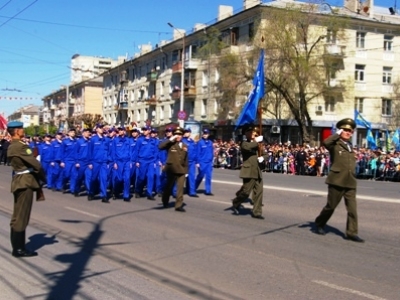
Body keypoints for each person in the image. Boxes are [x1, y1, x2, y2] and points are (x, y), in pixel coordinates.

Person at [314, 118, 364, 243]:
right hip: (337, 180)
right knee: (331, 206)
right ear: (341, 130)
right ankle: (320, 223)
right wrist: (336, 134)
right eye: (345, 130)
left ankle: (351, 232)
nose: (348, 133)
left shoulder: (350, 146)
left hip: (350, 181)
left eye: (350, 131)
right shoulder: (335, 144)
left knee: (352, 209)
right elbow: (325, 142)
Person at [6, 121, 46, 257]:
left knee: (18, 215)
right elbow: (37, 165)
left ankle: (18, 247)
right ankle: (19, 249)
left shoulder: (14, 145)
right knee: (22, 216)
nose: (23, 130)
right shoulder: (20, 146)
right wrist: (43, 178)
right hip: (25, 182)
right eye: (21, 129)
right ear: (16, 131)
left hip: (19, 181)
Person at [231, 125, 266, 219]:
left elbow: (265, 154)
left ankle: (257, 212)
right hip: (249, 171)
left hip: (257, 171)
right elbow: (247, 148)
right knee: (246, 192)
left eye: (253, 132)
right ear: (246, 134)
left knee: (259, 192)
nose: (253, 133)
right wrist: (257, 141)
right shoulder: (244, 143)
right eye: (250, 132)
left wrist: (263, 158)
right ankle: (236, 202)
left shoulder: (258, 144)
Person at [158, 127, 188, 212]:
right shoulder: (170, 144)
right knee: (168, 186)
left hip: (181, 170)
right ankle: (165, 201)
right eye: (176, 134)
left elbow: (186, 159)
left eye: (180, 135)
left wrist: (186, 171)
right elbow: (160, 146)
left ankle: (178, 205)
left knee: (180, 188)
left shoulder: (185, 146)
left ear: (182, 136)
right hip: (171, 169)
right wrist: (170, 139)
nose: (178, 136)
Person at [195, 129, 214, 195]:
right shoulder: (200, 142)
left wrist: (212, 160)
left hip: (208, 162)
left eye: (206, 133)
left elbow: (212, 152)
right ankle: (194, 187)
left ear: (208, 134)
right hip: (202, 162)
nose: (205, 135)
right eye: (204, 133)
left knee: (208, 177)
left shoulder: (210, 142)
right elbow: (198, 152)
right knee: (201, 176)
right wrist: (197, 162)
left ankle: (208, 191)